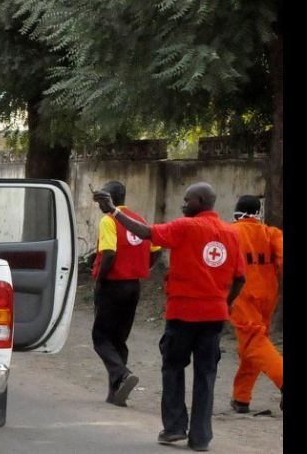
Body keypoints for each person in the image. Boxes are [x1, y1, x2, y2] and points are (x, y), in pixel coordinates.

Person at [92, 182, 245, 452]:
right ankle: (201, 438)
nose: (183, 205)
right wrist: (225, 302)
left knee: (173, 368)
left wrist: (114, 212)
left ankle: (174, 428)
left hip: (183, 313)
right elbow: (240, 278)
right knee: (206, 374)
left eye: (187, 200)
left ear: (200, 201)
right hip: (214, 316)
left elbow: (146, 232)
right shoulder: (231, 234)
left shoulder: (184, 228)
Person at [90, 181, 161, 407]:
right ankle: (116, 394)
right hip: (133, 286)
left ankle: (122, 374)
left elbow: (109, 254)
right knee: (119, 339)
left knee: (101, 338)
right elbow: (157, 250)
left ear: (108, 198)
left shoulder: (108, 220)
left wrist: (99, 282)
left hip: (113, 285)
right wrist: (142, 266)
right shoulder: (138, 220)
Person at [228, 195, 283, 413]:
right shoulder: (272, 233)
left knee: (253, 341)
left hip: (242, 294)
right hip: (268, 296)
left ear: (237, 212)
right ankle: (241, 397)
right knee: (253, 344)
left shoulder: (230, 232)